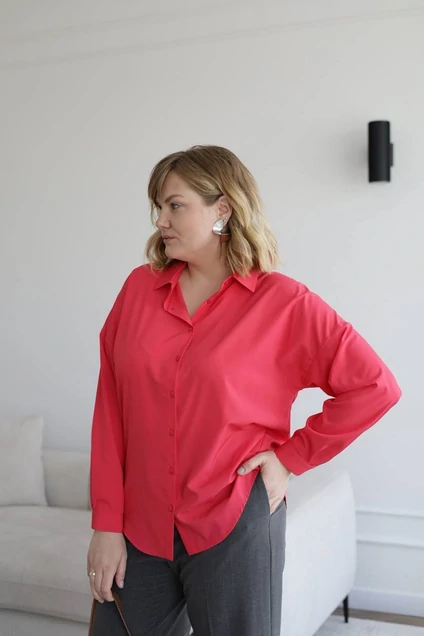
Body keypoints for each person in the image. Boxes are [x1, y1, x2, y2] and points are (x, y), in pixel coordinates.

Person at [87, 145, 401, 636]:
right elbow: (110, 409)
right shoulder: (137, 291)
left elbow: (374, 386)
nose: (160, 220)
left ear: (223, 209)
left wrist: (291, 457)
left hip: (232, 521)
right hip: (140, 530)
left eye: (175, 205)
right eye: (158, 206)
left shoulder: (284, 304)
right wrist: (106, 524)